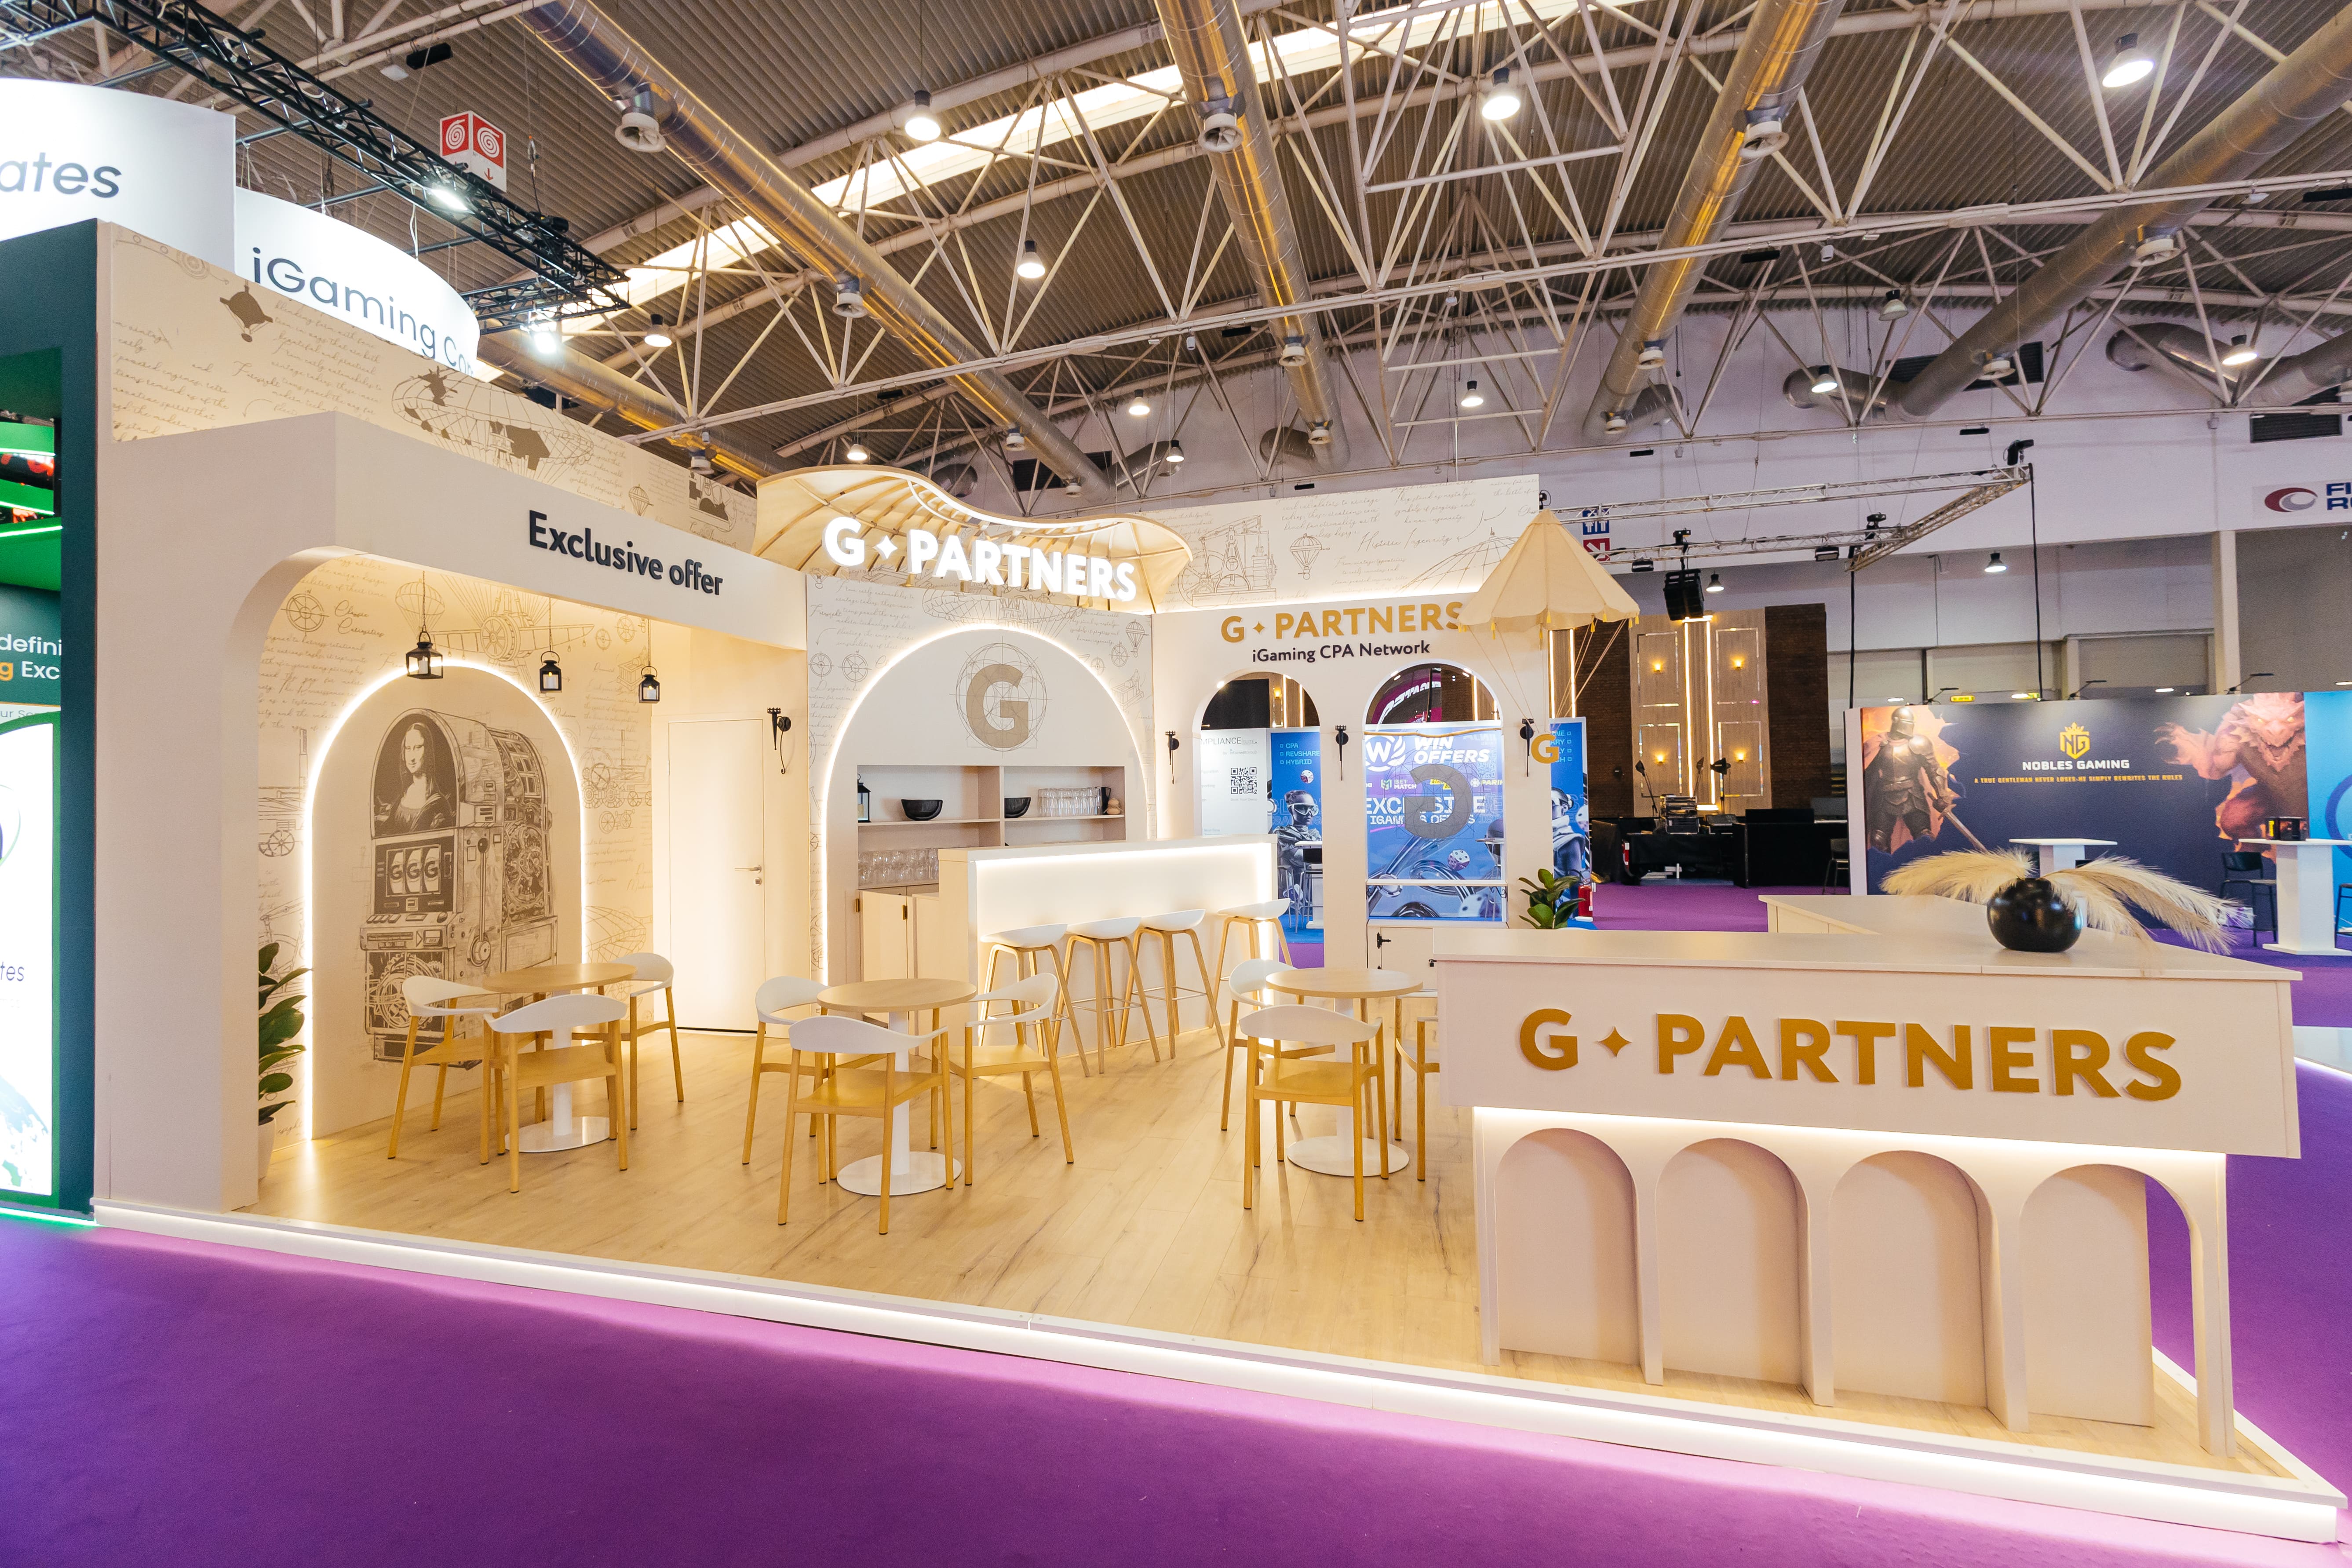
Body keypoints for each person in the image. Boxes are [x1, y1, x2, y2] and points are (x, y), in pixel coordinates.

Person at [1863, 707, 1951, 853]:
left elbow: (1934, 770)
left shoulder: (1920, 743)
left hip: (1913, 795)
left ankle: (1925, 865)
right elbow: (1867, 773)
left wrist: (1942, 795)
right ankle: (1885, 866)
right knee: (1878, 840)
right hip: (1883, 797)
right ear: (1896, 721)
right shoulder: (1877, 743)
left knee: (1924, 837)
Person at [375, 721, 453, 836]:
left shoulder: (438, 804)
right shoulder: (404, 795)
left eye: (418, 748)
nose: (412, 757)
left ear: (428, 751)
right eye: (408, 748)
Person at [1274, 788, 1320, 921]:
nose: (1309, 814)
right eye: (1303, 809)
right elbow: (1299, 858)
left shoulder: (1314, 835)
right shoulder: (1283, 834)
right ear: (1291, 810)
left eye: (1312, 809)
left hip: (1314, 887)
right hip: (1294, 888)